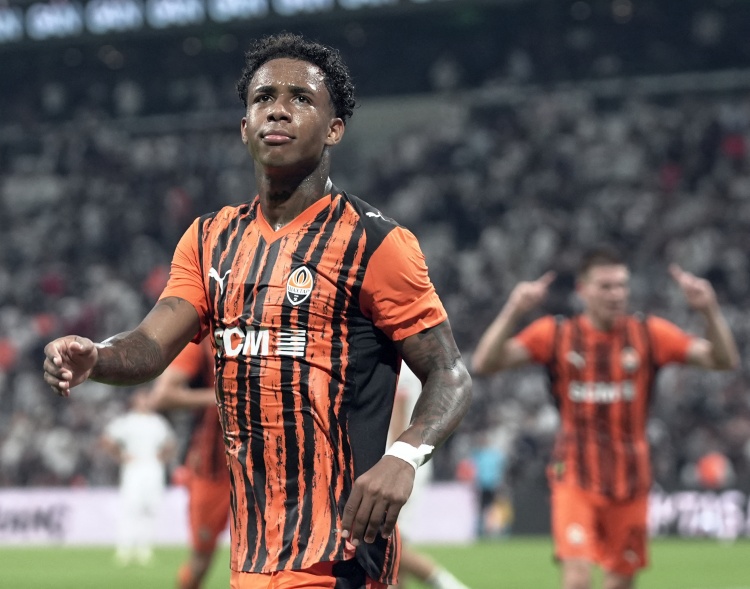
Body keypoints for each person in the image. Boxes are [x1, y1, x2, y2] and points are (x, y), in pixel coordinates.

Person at [43, 32, 472, 589]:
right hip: (251, 555)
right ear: (244, 126)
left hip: (338, 555)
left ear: (334, 128)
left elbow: (449, 372)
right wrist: (97, 356)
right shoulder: (208, 240)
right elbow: (151, 344)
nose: (278, 109)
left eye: (301, 98)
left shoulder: (375, 244)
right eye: (264, 97)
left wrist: (405, 456)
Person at [471, 245, 739, 589]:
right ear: (582, 290)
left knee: (620, 583)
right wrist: (514, 309)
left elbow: (723, 361)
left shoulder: (649, 334)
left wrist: (709, 310)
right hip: (575, 476)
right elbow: (484, 363)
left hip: (631, 480)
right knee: (578, 579)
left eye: (622, 285)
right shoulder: (556, 334)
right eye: (606, 286)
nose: (616, 294)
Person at [149, 339, 230, 589]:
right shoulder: (203, 343)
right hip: (213, 469)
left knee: (269, 556)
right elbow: (162, 395)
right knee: (201, 559)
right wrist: (223, 396)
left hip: (266, 468)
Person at [388, 362, 471, 589]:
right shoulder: (412, 362)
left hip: (398, 464)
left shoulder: (398, 365)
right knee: (391, 554)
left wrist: (393, 463)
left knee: (385, 543)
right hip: (408, 461)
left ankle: (450, 585)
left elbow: (399, 412)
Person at [101, 387, 176, 566]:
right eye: (141, 398)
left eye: (146, 398)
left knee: (150, 509)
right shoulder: (127, 421)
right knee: (130, 508)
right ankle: (125, 549)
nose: (144, 402)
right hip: (133, 467)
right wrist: (121, 456)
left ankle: (145, 550)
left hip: (153, 467)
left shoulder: (158, 422)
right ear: (135, 401)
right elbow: (107, 439)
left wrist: (162, 457)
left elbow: (170, 443)